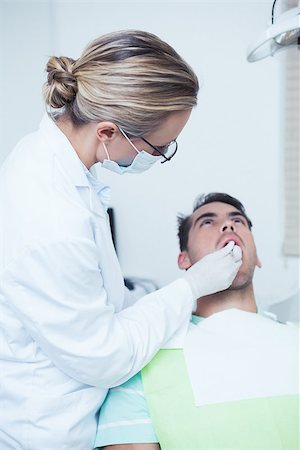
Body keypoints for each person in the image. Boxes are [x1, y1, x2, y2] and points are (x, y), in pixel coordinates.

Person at [0, 32, 243, 449]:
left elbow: (108, 304)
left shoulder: (65, 170)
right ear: (109, 132)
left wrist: (179, 301)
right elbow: (105, 357)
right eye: (160, 147)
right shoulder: (51, 213)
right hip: (47, 430)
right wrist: (190, 289)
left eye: (239, 220)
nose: (228, 230)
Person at [96, 192, 299, 450]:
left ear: (257, 257)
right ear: (185, 260)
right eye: (208, 222)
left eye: (238, 221)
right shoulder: (144, 363)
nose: (228, 225)